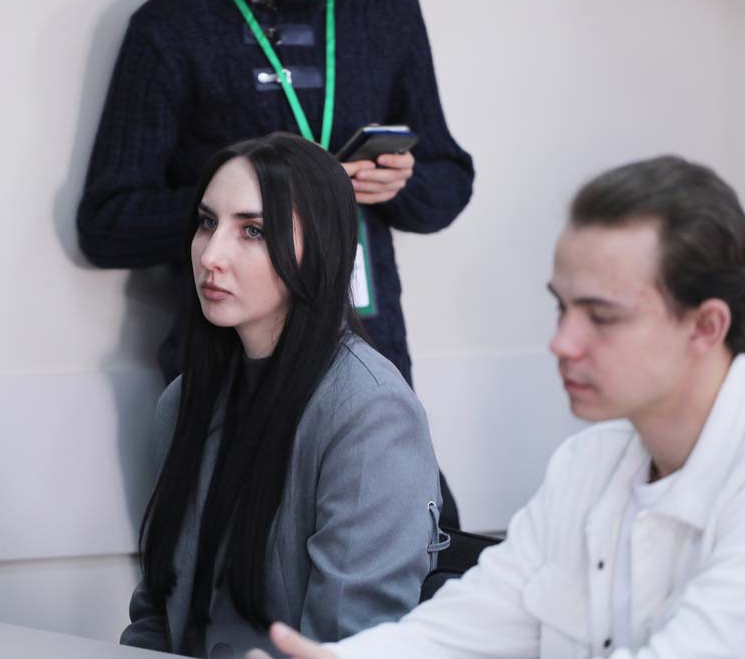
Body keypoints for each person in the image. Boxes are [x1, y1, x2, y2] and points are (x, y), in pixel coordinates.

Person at [247, 155, 745, 659]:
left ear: (706, 327)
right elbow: (460, 628)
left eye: (601, 316)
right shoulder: (588, 464)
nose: (562, 342)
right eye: (562, 307)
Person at [77, 0, 474, 527]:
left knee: (416, 538)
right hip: (231, 362)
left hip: (366, 343)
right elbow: (107, 224)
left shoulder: (386, 9)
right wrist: (251, 204)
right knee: (231, 551)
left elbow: (447, 185)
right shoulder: (172, 22)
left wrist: (400, 183)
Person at [122, 133, 445, 659]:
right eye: (207, 223)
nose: (211, 256)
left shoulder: (369, 411)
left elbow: (347, 640)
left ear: (318, 248)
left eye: (252, 230)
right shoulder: (183, 401)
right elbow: (157, 616)